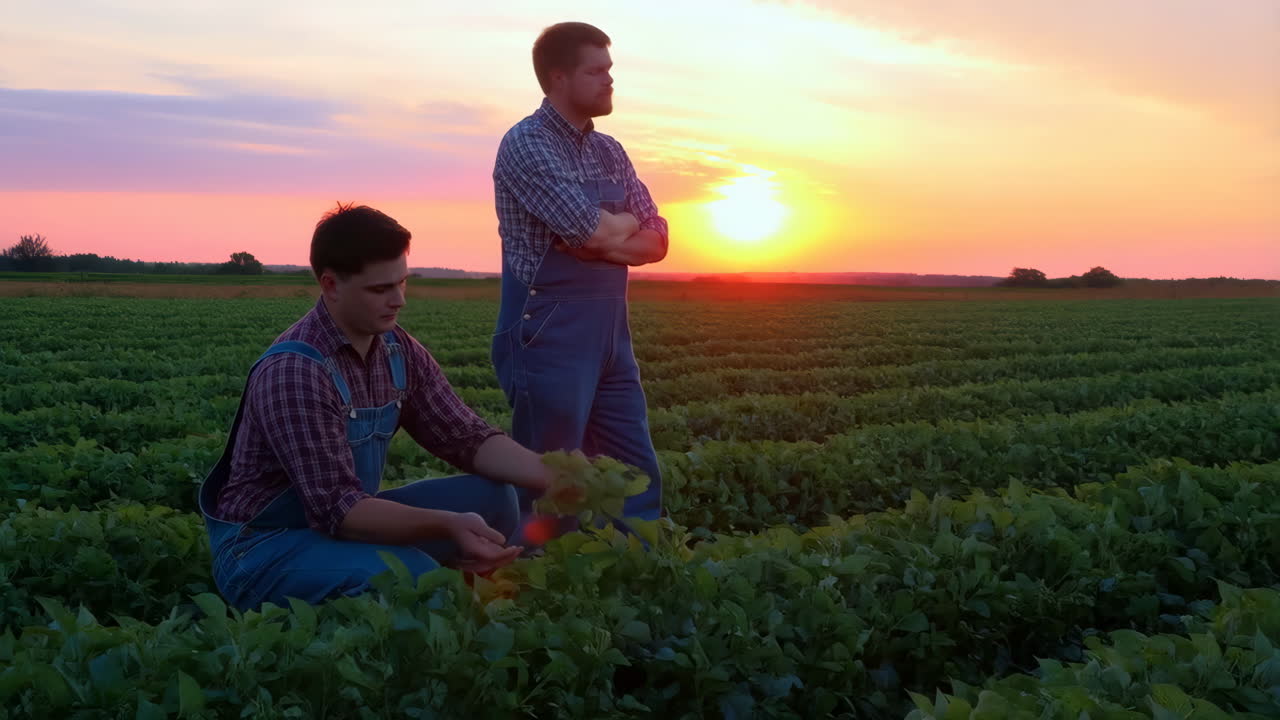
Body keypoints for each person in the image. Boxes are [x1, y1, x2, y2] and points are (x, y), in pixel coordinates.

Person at [198, 203, 555, 611]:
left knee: (493, 499)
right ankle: (425, 597)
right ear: (331, 285)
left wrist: (557, 475)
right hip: (267, 548)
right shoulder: (295, 371)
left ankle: (437, 592)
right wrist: (445, 524)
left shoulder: (397, 349)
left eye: (402, 283)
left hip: (339, 526)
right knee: (417, 576)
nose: (399, 300)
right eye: (380, 289)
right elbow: (340, 509)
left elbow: (466, 437)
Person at [491, 22, 669, 544]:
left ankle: (638, 570)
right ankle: (540, 592)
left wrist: (604, 237)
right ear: (558, 77)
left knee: (635, 470)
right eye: (597, 71)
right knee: (551, 478)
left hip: (611, 337)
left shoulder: (609, 150)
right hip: (548, 334)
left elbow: (658, 239)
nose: (610, 81)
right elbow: (591, 230)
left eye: (610, 70)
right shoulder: (527, 145)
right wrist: (607, 232)